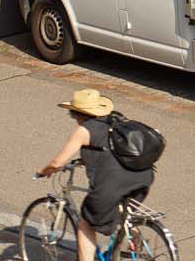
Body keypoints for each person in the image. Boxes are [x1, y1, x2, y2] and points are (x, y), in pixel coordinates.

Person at [36, 88, 151, 261]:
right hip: (143, 176)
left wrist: (43, 171)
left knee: (86, 224)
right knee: (121, 213)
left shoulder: (84, 131)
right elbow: (111, 150)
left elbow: (57, 163)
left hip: (114, 182)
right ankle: (135, 239)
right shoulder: (117, 123)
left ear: (77, 114)